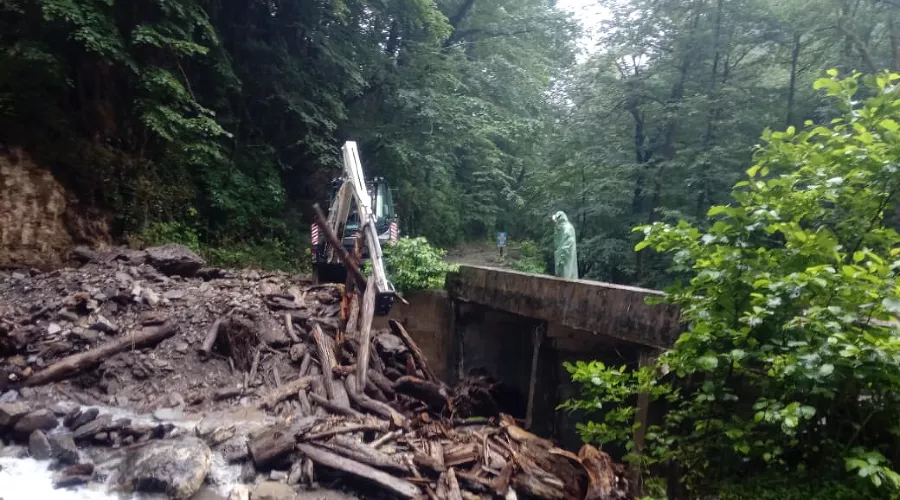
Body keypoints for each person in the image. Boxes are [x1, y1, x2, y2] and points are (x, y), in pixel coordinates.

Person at [551, 211, 578, 279]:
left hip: (564, 260)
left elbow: (567, 247)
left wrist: (561, 259)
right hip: (561, 259)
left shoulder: (567, 228)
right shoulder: (561, 228)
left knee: (566, 274)